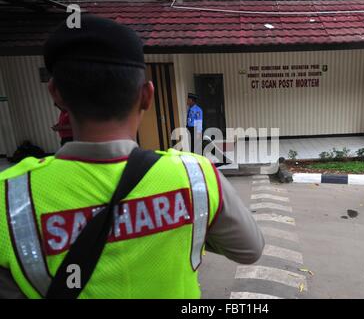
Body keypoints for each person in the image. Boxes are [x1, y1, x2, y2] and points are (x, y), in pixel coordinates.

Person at [0, 15, 264, 299]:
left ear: (56, 95)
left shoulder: (10, 198)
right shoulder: (196, 176)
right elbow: (250, 250)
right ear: (147, 96)